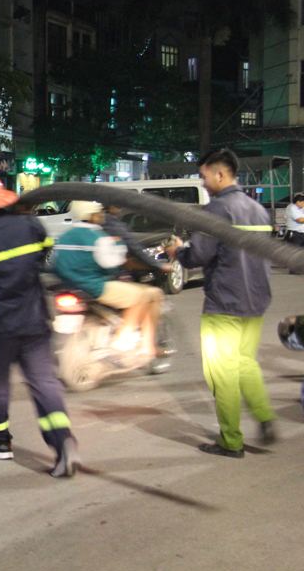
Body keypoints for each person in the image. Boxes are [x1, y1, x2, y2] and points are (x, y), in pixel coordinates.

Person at [0, 171, 79, 477]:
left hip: (1, 328)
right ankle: (62, 441)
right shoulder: (30, 225)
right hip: (36, 321)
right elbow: (46, 248)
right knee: (44, 384)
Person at [166, 149, 276, 458]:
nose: (203, 183)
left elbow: (198, 255)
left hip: (225, 301)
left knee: (221, 373)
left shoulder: (216, 211)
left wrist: (178, 252)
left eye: (203, 177)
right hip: (256, 299)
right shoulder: (258, 210)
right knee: (245, 363)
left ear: (220, 174)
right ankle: (265, 416)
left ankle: (231, 441)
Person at [54, 201, 164, 361]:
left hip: (68, 287)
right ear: (90, 216)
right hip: (95, 286)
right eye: (98, 213)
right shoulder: (98, 237)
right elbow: (111, 265)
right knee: (142, 296)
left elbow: (54, 264)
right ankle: (123, 340)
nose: (101, 216)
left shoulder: (64, 237)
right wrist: (118, 246)